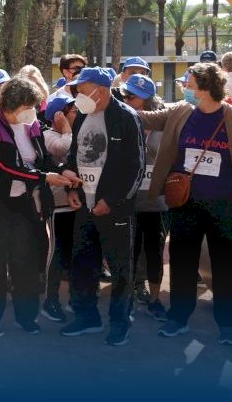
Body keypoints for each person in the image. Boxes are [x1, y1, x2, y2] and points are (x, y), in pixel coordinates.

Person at [137, 63, 232, 345]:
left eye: (189, 85)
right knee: (182, 262)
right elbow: (145, 118)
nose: (185, 89)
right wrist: (111, 102)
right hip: (186, 204)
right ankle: (178, 318)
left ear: (205, 88)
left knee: (226, 265)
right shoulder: (181, 111)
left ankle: (227, 325)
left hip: (226, 205)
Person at [0, 78, 72, 337]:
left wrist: (63, 171)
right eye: (29, 106)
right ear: (12, 104)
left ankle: (27, 317)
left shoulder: (33, 125)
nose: (33, 111)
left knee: (26, 263)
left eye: (34, 106)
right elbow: (5, 168)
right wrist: (45, 178)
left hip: (25, 204)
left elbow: (45, 160)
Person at [57, 68, 146, 346]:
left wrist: (112, 200)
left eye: (82, 90)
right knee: (83, 263)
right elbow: (75, 153)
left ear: (101, 89)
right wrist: (71, 185)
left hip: (115, 209)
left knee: (120, 269)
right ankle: (87, 317)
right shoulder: (83, 115)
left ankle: (120, 323)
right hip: (85, 205)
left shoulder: (127, 117)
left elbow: (136, 167)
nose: (78, 96)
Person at [119, 74, 170, 321]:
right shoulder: (124, 122)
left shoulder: (164, 124)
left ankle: (155, 298)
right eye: (125, 95)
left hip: (157, 202)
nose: (126, 99)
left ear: (147, 100)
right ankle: (131, 293)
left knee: (154, 251)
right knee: (130, 249)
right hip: (129, 199)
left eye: (132, 96)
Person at [41, 92, 77, 322]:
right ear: (58, 116)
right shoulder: (48, 135)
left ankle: (74, 298)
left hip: (75, 203)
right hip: (58, 205)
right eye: (73, 111)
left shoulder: (73, 132)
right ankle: (50, 300)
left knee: (73, 252)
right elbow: (64, 148)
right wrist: (66, 127)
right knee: (57, 252)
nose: (77, 113)